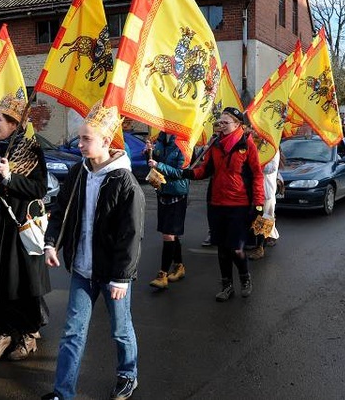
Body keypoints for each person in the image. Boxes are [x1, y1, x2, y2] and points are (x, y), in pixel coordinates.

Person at [42, 100, 145, 400]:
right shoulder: (78, 173)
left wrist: (122, 278)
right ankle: (63, 392)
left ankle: (128, 374)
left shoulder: (124, 181)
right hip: (82, 270)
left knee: (120, 329)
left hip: (111, 273)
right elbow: (61, 211)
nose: (80, 143)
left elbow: (131, 234)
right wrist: (52, 243)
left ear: (105, 141)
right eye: (80, 137)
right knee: (72, 333)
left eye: (86, 138)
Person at [0, 93, 51, 363]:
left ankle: (27, 335)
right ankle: (3, 333)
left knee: (22, 285)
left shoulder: (31, 150)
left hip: (20, 227)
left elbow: (38, 188)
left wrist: (11, 178)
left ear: (13, 123)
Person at [182, 107, 264, 302]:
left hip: (239, 204)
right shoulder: (215, 144)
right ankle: (227, 285)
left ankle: (245, 278)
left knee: (236, 248)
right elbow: (205, 170)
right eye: (220, 122)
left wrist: (258, 202)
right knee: (222, 248)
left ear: (237, 125)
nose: (221, 125)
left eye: (226, 122)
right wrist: (187, 173)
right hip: (217, 203)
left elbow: (257, 175)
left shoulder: (247, 145)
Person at [145, 132, 190, 290]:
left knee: (168, 233)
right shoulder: (160, 140)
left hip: (177, 193)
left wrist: (159, 165)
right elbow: (152, 165)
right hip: (162, 191)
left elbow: (180, 172)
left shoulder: (183, 144)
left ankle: (162, 273)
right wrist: (148, 154)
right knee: (171, 233)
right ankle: (179, 266)